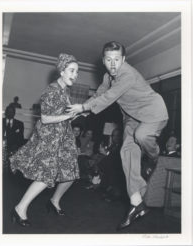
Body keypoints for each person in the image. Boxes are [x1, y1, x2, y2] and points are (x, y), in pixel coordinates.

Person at [66, 41, 169, 230]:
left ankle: (153, 157)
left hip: (153, 112)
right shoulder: (107, 77)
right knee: (126, 152)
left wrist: (83, 106)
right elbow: (100, 94)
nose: (113, 64)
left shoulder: (127, 74)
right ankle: (137, 202)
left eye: (116, 60)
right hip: (130, 117)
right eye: (108, 60)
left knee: (142, 135)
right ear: (103, 61)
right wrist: (83, 111)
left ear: (123, 60)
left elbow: (110, 97)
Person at [9, 53, 80, 227]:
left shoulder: (65, 90)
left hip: (64, 137)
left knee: (71, 172)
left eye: (77, 72)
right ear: (62, 71)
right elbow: (46, 118)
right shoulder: (51, 90)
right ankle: (19, 208)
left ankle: (54, 201)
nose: (75, 75)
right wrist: (66, 116)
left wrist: (74, 114)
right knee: (45, 175)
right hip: (50, 138)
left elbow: (63, 116)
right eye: (71, 70)